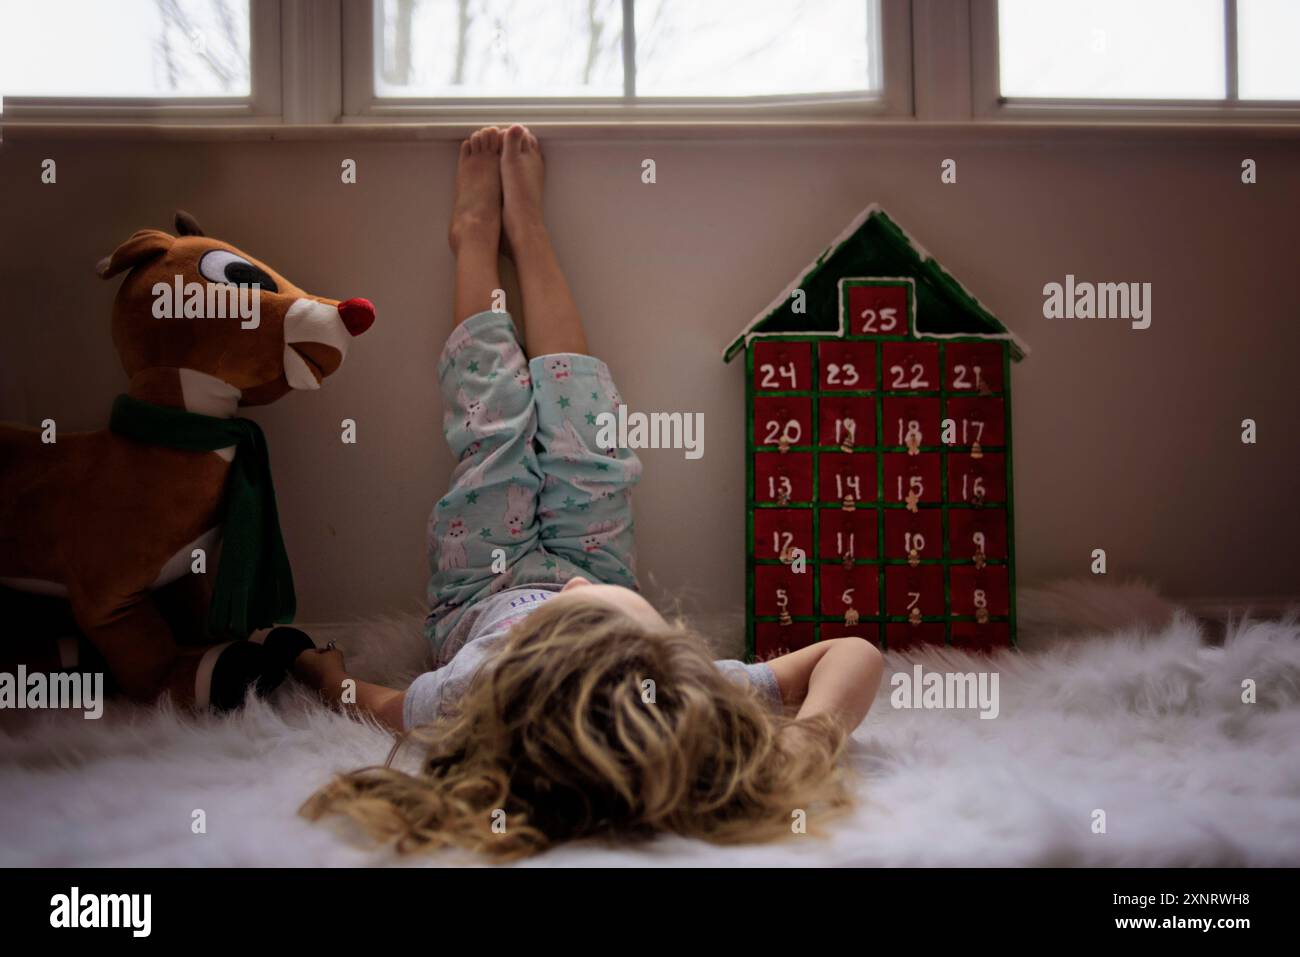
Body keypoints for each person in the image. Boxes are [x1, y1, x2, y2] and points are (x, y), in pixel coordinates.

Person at [295, 125, 883, 859]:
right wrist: (808, 738)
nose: (571, 589)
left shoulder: (477, 690)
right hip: (596, 550)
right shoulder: (682, 691)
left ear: (528, 658)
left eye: (570, 607)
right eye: (612, 616)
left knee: (494, 419)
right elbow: (855, 652)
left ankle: (475, 237)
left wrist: (327, 678)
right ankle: (531, 235)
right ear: (656, 654)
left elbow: (380, 707)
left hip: (483, 584)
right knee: (587, 427)